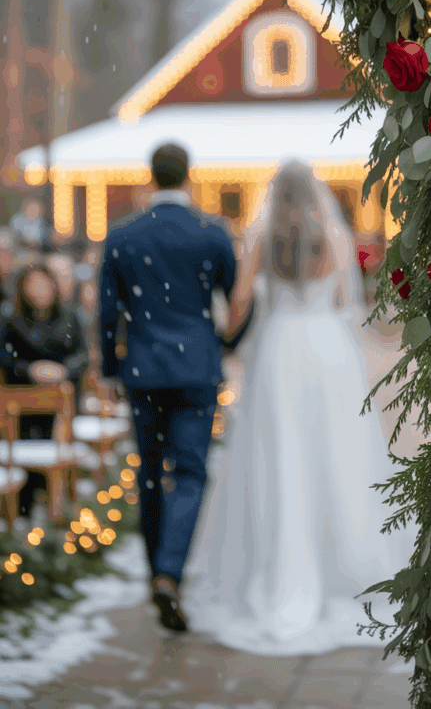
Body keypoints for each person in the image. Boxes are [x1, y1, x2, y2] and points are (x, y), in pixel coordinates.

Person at [186, 160, 419, 655]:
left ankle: (281, 562)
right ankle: (345, 562)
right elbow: (343, 298)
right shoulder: (332, 237)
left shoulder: (262, 239)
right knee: (337, 453)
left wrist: (228, 328)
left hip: (280, 349)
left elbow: (243, 299)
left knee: (281, 453)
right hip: (327, 348)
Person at [98, 143, 254, 633]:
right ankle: (170, 572)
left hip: (143, 368)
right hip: (196, 366)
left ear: (151, 177)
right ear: (189, 177)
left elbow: (106, 311)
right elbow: (239, 297)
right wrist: (227, 343)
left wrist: (108, 368)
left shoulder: (123, 234)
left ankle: (155, 572)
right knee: (189, 471)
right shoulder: (211, 231)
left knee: (148, 471)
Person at [0, 263, 88, 516]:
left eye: (43, 284)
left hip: (61, 406)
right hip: (20, 407)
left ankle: (54, 511)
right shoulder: (11, 321)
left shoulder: (70, 318)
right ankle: (23, 510)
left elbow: (82, 356)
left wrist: (62, 371)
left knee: (55, 441)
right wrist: (30, 369)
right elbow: (5, 358)